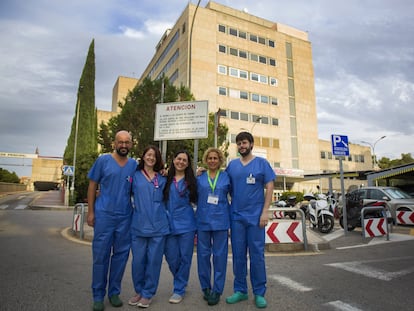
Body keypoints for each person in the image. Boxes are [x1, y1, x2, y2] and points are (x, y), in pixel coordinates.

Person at [87, 130, 137, 311]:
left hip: (125, 217)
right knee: (100, 256)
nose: (123, 145)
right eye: (120, 142)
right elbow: (92, 186)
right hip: (104, 215)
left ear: (131, 144)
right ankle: (98, 295)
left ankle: (114, 292)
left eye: (127, 142)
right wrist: (91, 212)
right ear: (114, 144)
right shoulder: (103, 161)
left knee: (121, 257)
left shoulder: (134, 165)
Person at [225, 131, 276, 309]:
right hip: (237, 217)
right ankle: (240, 290)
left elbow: (270, 186)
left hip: (256, 218)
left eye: (245, 143)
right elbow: (224, 186)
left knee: (257, 256)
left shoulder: (262, 164)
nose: (242, 146)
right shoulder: (232, 166)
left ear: (251, 144)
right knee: (238, 256)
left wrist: (265, 211)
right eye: (239, 143)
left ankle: (259, 292)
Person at [128, 145, 170, 308]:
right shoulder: (135, 176)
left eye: (154, 155)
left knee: (153, 261)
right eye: (148, 154)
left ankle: (148, 293)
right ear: (143, 156)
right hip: (139, 225)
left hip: (158, 227)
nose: (151, 158)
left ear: (157, 159)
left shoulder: (163, 178)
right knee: (138, 261)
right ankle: (139, 290)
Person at [196, 147, 231, 306]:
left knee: (220, 257)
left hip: (221, 221)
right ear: (206, 160)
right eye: (209, 158)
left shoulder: (226, 177)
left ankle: (217, 290)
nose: (212, 161)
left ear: (220, 160)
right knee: (203, 256)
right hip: (203, 221)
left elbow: (234, 195)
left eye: (215, 158)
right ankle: (206, 288)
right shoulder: (199, 177)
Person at [163, 150, 198, 304]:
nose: (181, 162)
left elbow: (197, 200)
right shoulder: (165, 178)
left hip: (187, 224)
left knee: (185, 258)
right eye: (179, 159)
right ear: (173, 160)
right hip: (168, 223)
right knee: (171, 257)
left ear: (188, 163)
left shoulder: (192, 181)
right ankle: (181, 280)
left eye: (185, 160)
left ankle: (179, 289)